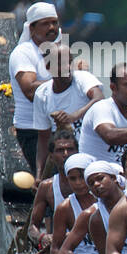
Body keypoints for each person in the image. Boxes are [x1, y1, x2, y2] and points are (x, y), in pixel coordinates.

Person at [31, 41, 106, 176]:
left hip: (92, 157)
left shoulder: (82, 78)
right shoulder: (42, 94)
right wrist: (39, 174)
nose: (67, 67)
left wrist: (73, 117)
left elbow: (99, 98)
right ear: (48, 67)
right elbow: (43, 138)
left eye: (69, 62)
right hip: (65, 160)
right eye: (61, 63)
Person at [7, 1, 59, 169]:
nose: (52, 27)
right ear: (32, 29)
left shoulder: (58, 51)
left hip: (57, 128)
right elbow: (30, 90)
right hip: (32, 130)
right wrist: (63, 80)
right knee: (46, 178)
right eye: (45, 24)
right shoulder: (23, 53)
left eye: (54, 22)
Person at [28, 128, 79, 250]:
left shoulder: (92, 182)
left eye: (70, 149)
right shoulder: (46, 187)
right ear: (51, 156)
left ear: (77, 152)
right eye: (60, 150)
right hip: (62, 249)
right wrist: (42, 238)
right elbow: (32, 227)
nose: (66, 154)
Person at [49, 152, 96, 254]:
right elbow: (55, 249)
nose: (78, 183)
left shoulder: (105, 199)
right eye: (73, 179)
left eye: (82, 177)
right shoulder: (64, 208)